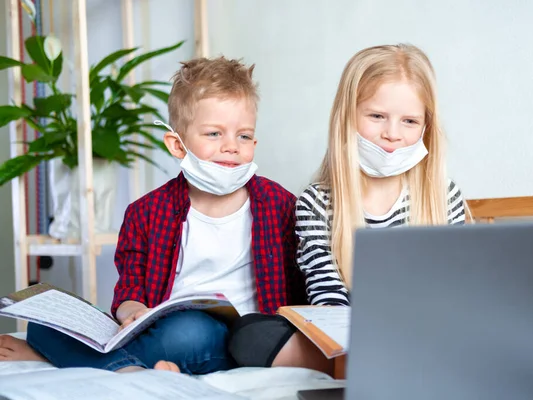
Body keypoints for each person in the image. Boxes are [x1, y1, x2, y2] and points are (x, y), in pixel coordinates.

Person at [0, 56, 306, 374]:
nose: (231, 146)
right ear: (177, 144)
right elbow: (130, 289)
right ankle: (131, 366)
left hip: (230, 338)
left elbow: (300, 286)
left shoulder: (280, 205)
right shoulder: (145, 213)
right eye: (214, 134)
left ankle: (95, 363)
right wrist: (133, 312)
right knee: (45, 324)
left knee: (192, 331)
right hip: (160, 330)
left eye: (243, 136)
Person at [226, 43, 467, 375]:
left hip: (425, 329)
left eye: (410, 121)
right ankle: (384, 365)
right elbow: (327, 296)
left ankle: (377, 365)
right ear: (347, 117)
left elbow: (455, 290)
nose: (392, 134)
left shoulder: (444, 195)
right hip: (354, 332)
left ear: (426, 126)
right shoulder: (316, 202)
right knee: (251, 332)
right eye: (377, 116)